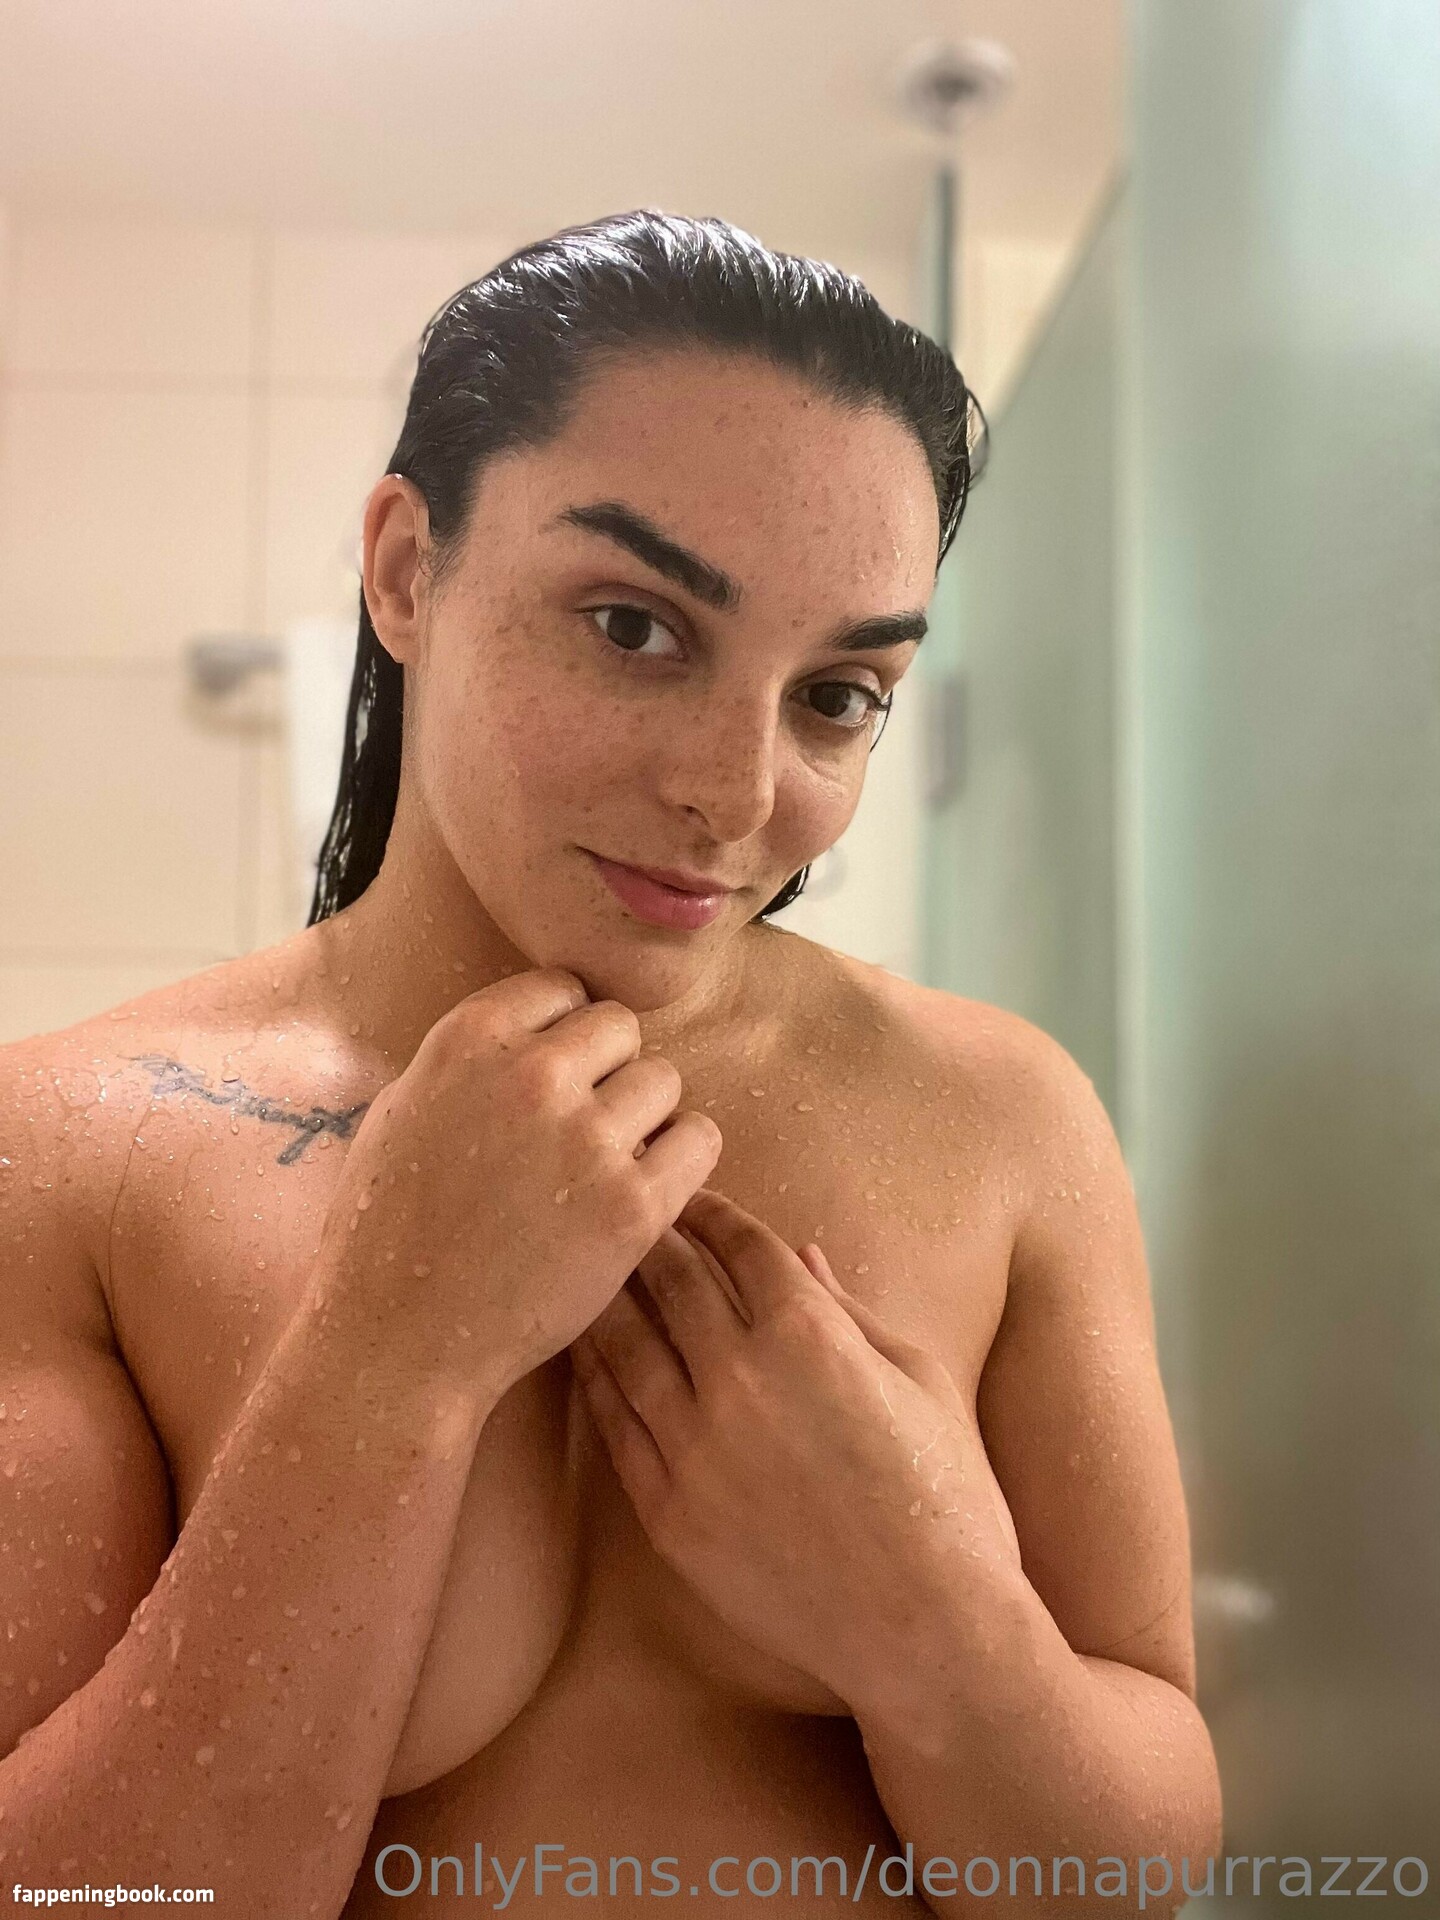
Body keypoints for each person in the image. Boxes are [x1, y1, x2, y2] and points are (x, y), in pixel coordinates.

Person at [0, 210, 1221, 1917]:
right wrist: (387, 1365)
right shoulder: (80, 1154)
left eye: (838, 694)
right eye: (635, 627)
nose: (737, 792)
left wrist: (935, 1626)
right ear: (407, 571)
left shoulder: (1001, 1122)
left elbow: (1127, 1880)